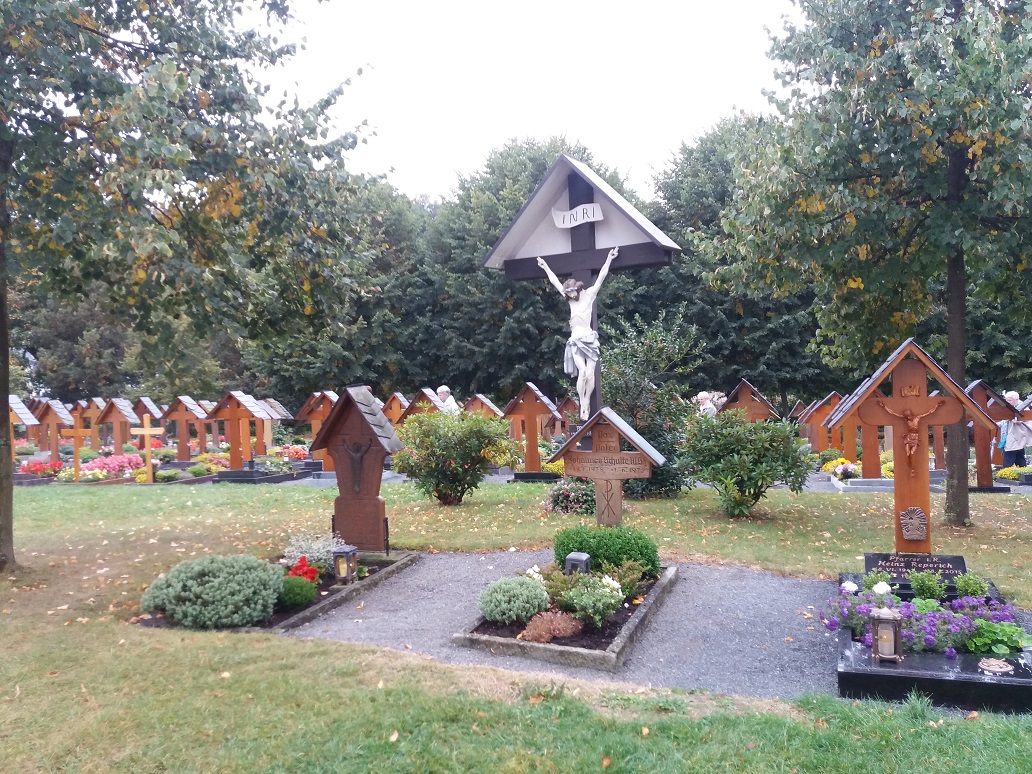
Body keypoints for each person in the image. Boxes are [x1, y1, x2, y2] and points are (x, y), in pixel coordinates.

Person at [536, 247, 619, 421]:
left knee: (590, 373)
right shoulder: (570, 301)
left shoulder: (589, 295)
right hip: (575, 340)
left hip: (589, 338)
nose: (570, 295)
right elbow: (554, 281)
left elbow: (602, 276)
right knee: (582, 371)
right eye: (567, 293)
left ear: (577, 288)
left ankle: (587, 399)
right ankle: (583, 402)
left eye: (571, 292)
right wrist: (545, 267)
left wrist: (609, 259)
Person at [997, 390, 1032, 468]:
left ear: (1016, 399)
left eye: (1010, 400)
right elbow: (1005, 421)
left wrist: (1011, 417)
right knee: (1019, 456)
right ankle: (1022, 472)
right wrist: (996, 424)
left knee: (1009, 454)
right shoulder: (1010, 409)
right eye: (1007, 400)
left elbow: (1018, 420)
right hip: (1015, 436)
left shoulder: (1023, 407)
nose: (1008, 402)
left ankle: (1006, 473)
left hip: (1017, 435)